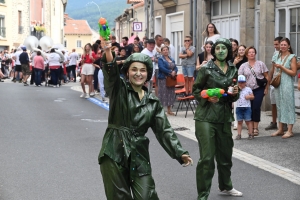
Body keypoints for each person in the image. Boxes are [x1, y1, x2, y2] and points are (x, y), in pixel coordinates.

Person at [98, 41, 193, 200]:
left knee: (147, 196)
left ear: (148, 73)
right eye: (134, 69)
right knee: (119, 197)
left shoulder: (153, 102)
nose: (138, 73)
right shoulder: (118, 89)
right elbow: (110, 73)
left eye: (142, 70)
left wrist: (179, 152)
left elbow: (165, 131)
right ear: (127, 72)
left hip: (139, 153)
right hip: (114, 151)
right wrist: (108, 51)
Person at [193, 38, 242, 199]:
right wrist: (206, 97)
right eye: (218, 48)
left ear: (229, 51)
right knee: (207, 158)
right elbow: (195, 90)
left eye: (224, 48)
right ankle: (203, 194)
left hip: (225, 117)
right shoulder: (206, 68)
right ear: (213, 51)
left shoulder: (233, 70)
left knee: (225, 156)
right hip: (206, 117)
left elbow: (232, 96)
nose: (221, 51)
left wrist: (234, 93)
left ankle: (226, 186)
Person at [238, 46, 269, 136]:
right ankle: (250, 126)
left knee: (256, 106)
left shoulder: (260, 64)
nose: (251, 54)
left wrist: (266, 88)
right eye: (249, 52)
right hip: (247, 89)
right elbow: (239, 78)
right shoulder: (243, 65)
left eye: (253, 52)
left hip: (259, 89)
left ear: (255, 53)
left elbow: (267, 77)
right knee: (249, 108)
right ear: (247, 54)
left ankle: (255, 127)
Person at [270, 38, 297, 139]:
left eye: (285, 45)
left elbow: (294, 73)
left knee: (288, 106)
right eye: (281, 44)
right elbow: (273, 68)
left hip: (287, 83)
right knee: (279, 105)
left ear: (289, 46)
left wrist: (282, 67)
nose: (283, 46)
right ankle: (280, 129)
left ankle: (290, 130)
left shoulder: (292, 57)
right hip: (278, 83)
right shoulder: (276, 55)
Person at [265, 36, 288, 131]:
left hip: (283, 81)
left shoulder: (287, 55)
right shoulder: (275, 53)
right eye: (274, 44)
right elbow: (272, 67)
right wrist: (269, 80)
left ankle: (285, 123)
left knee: (283, 103)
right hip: (275, 81)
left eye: (277, 44)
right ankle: (274, 122)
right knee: (273, 103)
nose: (275, 46)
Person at [231, 45, 248, 130]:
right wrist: (234, 63)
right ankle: (236, 123)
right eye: (240, 50)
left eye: (243, 50)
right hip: (236, 82)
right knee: (236, 102)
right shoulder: (234, 59)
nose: (241, 51)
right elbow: (230, 70)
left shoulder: (248, 59)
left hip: (246, 83)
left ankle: (247, 121)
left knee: (246, 102)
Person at [157, 46, 177, 115]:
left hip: (171, 79)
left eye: (166, 50)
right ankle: (161, 111)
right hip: (163, 78)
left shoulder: (172, 58)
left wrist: (174, 71)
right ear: (162, 52)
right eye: (164, 50)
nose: (165, 51)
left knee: (170, 94)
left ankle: (169, 110)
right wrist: (170, 72)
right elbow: (161, 67)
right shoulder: (160, 59)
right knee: (163, 94)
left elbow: (175, 67)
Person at [235, 75, 254, 140]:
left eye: (242, 82)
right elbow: (233, 95)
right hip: (239, 107)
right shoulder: (236, 89)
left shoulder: (248, 89)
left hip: (247, 107)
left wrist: (249, 97)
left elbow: (252, 97)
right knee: (239, 121)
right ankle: (239, 134)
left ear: (245, 82)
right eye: (239, 82)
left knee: (248, 121)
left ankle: (251, 133)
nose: (241, 84)